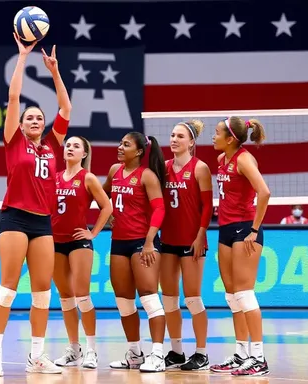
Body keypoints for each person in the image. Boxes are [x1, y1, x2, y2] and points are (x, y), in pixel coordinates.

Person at [0, 36, 71, 377]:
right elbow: (13, 97)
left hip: (43, 223)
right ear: (21, 125)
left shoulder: (52, 144)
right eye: (30, 118)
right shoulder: (13, 142)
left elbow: (65, 109)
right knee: (7, 288)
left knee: (42, 293)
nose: (36, 120)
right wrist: (22, 57)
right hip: (15, 218)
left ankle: (37, 355)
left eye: (39, 117)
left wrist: (54, 72)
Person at [210, 116, 270, 376]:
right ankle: (241, 353)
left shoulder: (244, 159)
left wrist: (254, 230)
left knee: (245, 294)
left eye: (216, 133)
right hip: (225, 228)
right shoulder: (222, 160)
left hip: (245, 228)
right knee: (232, 296)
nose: (212, 137)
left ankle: (259, 358)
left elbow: (264, 192)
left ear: (230, 138)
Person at [102, 132, 167, 373]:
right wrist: (106, 212)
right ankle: (135, 354)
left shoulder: (147, 176)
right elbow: (101, 194)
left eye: (126, 145)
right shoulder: (114, 171)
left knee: (149, 297)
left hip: (143, 242)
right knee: (123, 301)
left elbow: (159, 209)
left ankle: (158, 355)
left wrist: (150, 241)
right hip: (118, 242)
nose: (120, 147)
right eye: (120, 143)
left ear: (139, 152)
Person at [51, 136, 112, 369]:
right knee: (65, 298)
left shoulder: (87, 178)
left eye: (76, 146)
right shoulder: (54, 178)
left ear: (84, 154)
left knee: (82, 296)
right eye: (68, 145)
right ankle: (73, 349)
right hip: (56, 243)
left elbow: (107, 206)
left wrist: (93, 232)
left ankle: (91, 350)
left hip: (79, 242)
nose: (70, 148)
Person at [159, 121, 213, 371]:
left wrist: (201, 235)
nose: (174, 139)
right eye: (172, 135)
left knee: (192, 298)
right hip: (168, 240)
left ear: (191, 142)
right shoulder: (164, 168)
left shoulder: (200, 168)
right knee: (169, 300)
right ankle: (177, 351)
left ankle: (201, 353)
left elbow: (207, 208)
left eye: (180, 136)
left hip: (192, 241)